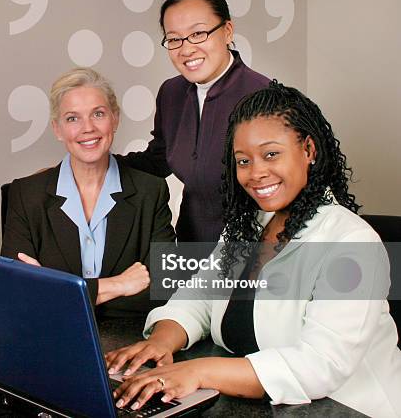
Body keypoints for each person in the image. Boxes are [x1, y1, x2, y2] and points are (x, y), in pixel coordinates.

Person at [105, 81, 401, 417]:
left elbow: (321, 364)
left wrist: (197, 371)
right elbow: (201, 296)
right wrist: (161, 342)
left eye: (271, 154)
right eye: (243, 161)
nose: (256, 173)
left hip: (347, 408)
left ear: (309, 150)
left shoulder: (352, 242)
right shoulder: (248, 225)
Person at [1, 68, 175, 317]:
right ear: (57, 129)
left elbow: (161, 290)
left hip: (130, 340)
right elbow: (17, 290)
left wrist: (53, 292)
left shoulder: (151, 191)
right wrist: (119, 285)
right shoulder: (25, 194)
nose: (88, 128)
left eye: (98, 114)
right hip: (51, 337)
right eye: (73, 118)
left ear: (115, 119)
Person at [120, 0, 269, 243]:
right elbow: (158, 160)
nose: (186, 49)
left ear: (227, 31)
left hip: (254, 250)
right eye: (174, 39)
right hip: (191, 246)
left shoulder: (265, 96)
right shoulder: (171, 93)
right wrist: (93, 164)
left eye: (198, 33)